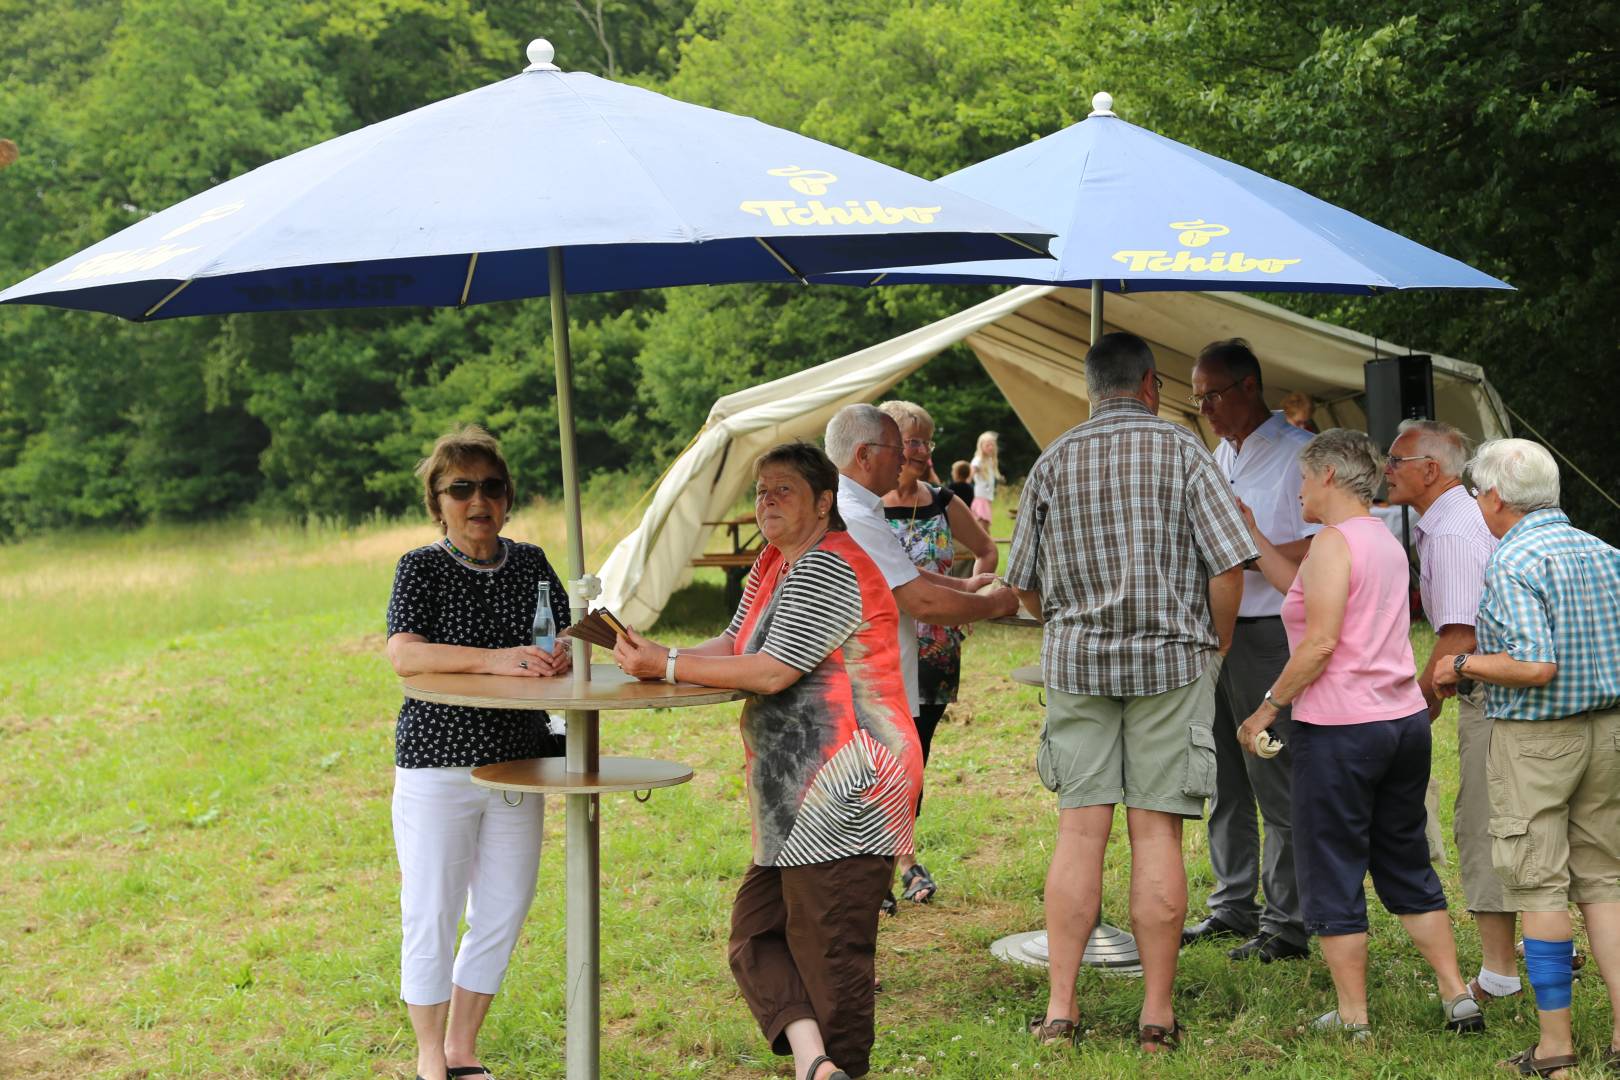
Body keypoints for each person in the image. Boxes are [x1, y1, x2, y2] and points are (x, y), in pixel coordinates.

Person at [612, 441, 920, 1080]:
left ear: (824, 502)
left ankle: (841, 1069)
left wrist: (666, 666)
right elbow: (736, 642)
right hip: (793, 793)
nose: (766, 501)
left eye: (783, 490)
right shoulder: (776, 562)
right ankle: (816, 1066)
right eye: (760, 491)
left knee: (831, 954)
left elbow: (774, 670)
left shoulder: (832, 566)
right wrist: (657, 659)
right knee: (756, 936)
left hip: (849, 787)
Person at [1007, 332, 1253, 1052]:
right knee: (1157, 833)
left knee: (1079, 832)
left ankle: (1061, 1009)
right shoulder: (1184, 452)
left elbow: (1021, 583)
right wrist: (1220, 638)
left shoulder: (1054, 460)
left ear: (1090, 389)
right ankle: (1156, 1015)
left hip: (1078, 668)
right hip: (1172, 667)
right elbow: (1228, 564)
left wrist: (1059, 619)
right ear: (1150, 384)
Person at [1235, 428, 1483, 1038]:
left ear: (1325, 476)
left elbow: (1321, 642)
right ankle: (1456, 995)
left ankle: (1352, 1015)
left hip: (1340, 728)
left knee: (1332, 865)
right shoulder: (1387, 540)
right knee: (1404, 861)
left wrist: (1267, 707)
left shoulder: (1331, 546)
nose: (1296, 491)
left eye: (1300, 479)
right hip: (1401, 721)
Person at [384, 424, 573, 1080]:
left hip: (520, 758)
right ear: (437, 502)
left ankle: (463, 1048)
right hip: (440, 760)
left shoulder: (531, 562)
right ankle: (429, 1056)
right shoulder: (422, 568)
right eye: (459, 488)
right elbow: (404, 655)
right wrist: (496, 659)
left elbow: (561, 632)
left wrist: (559, 653)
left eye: (490, 486)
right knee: (432, 910)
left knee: (501, 909)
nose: (477, 499)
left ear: (508, 498)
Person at [1434, 438, 1620, 1080]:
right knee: (1604, 881)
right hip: (1608, 733)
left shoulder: (1513, 559)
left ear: (1495, 497)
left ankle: (1555, 1047)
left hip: (1539, 741)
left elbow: (1535, 665)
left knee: (1541, 884)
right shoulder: (1602, 551)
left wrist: (1460, 664)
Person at [825, 405, 1019, 915]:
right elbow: (920, 601)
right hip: (870, 688)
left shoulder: (862, 509)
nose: (916, 459)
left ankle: (867, 900)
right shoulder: (857, 514)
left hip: (901, 677)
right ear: (868, 454)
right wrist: (995, 603)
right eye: (903, 447)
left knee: (895, 781)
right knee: (868, 799)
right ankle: (857, 915)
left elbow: (909, 575)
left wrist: (963, 586)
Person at [1182, 339, 1313, 963]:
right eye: (1197, 396)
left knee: (1273, 771)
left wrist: (1248, 542)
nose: (1203, 406)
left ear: (1249, 387)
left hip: (1268, 631)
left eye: (1212, 394)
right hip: (1217, 629)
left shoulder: (1297, 455)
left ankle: (1288, 920)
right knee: (1222, 773)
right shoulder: (1217, 456)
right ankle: (1234, 903)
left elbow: (1322, 551)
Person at [1383, 419, 1517, 1002]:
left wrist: (1415, 712)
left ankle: (1499, 975)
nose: (1385, 469)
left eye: (1395, 460)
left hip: (1493, 695)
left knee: (1483, 826)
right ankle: (1542, 948)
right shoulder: (1450, 521)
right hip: (1500, 692)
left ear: (1431, 470)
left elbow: (1459, 640)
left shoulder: (1455, 532)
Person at [877, 400, 999, 904]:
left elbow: (987, 550)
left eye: (927, 439)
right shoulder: (862, 508)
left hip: (935, 652)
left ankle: (902, 859)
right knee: (878, 755)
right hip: (880, 653)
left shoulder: (945, 501)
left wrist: (967, 595)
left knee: (915, 757)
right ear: (886, 446)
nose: (923, 450)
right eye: (912, 440)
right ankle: (876, 869)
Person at [946, 460, 978, 580]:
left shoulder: (952, 487)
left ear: (957, 473)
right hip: (967, 514)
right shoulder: (970, 488)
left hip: (953, 516)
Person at [969, 431, 1002, 530]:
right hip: (980, 498)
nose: (991, 447)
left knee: (985, 528)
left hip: (987, 499)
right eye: (987, 445)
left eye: (992, 445)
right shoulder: (978, 460)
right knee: (983, 529)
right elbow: (969, 475)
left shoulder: (990, 460)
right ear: (981, 446)